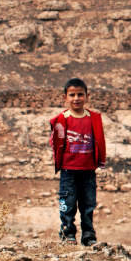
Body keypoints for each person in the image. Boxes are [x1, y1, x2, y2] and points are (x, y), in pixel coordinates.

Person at [49, 77, 106, 246]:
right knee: (67, 201)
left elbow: (100, 139)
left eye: (80, 94)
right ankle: (67, 232)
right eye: (72, 95)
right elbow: (56, 141)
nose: (76, 98)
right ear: (65, 97)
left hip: (88, 169)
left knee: (88, 202)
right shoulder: (62, 119)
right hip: (69, 169)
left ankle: (88, 233)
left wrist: (100, 161)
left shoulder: (93, 118)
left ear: (87, 96)